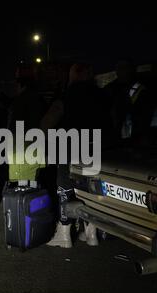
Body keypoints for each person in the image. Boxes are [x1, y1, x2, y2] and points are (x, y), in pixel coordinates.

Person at [45, 62, 109, 248]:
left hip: (70, 146)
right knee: (90, 189)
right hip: (96, 147)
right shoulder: (103, 95)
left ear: (75, 75)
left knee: (64, 188)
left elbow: (48, 122)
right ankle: (91, 233)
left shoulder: (67, 96)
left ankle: (64, 233)